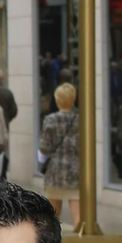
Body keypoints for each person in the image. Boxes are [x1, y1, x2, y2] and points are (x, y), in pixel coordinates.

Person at [38, 80, 80, 227]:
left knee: (52, 215)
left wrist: (41, 160)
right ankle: (80, 238)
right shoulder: (80, 120)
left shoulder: (50, 120)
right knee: (78, 215)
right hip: (75, 171)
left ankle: (53, 239)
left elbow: (44, 147)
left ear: (57, 101)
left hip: (55, 171)